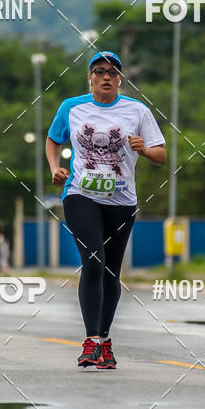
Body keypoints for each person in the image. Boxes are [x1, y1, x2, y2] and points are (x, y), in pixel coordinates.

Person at [46, 51, 166, 369]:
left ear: (120, 79)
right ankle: (91, 342)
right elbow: (52, 139)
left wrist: (145, 149)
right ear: (90, 77)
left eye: (113, 72)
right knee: (94, 262)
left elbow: (162, 155)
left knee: (112, 271)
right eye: (99, 71)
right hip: (79, 195)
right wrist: (54, 167)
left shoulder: (137, 110)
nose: (106, 77)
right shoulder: (71, 107)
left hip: (122, 201)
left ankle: (104, 341)